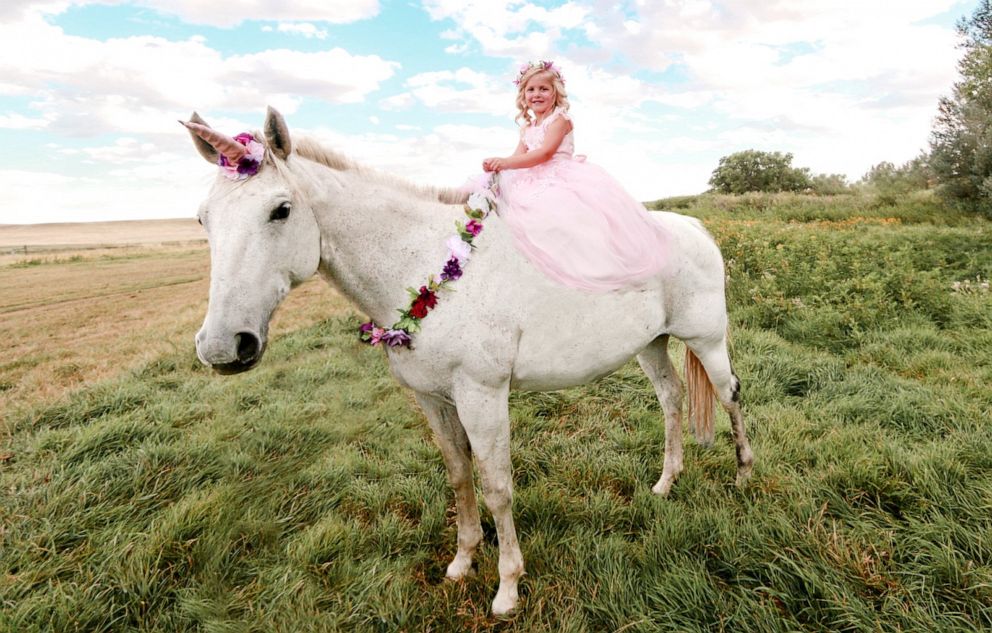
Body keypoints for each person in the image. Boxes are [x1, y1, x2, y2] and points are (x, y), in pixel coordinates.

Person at [470, 60, 672, 292]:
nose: (537, 94)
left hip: (558, 176)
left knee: (556, 218)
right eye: (531, 89)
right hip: (531, 177)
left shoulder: (560, 120)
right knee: (499, 202)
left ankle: (583, 272)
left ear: (556, 93)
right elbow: (519, 156)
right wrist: (500, 166)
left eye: (543, 89)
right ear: (523, 95)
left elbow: (544, 154)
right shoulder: (527, 127)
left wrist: (506, 162)